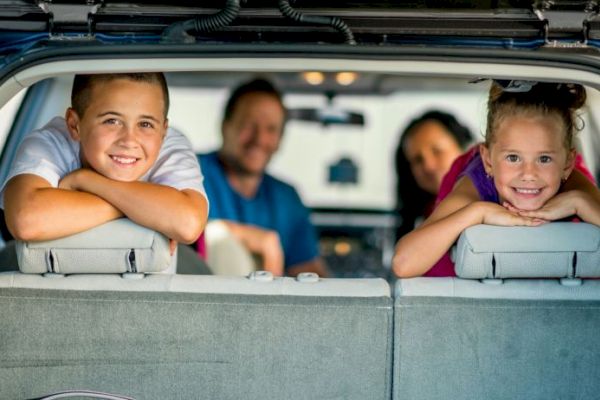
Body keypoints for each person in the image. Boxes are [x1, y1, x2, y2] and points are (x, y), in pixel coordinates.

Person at [393, 81, 600, 278]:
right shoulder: (475, 183)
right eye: (513, 157)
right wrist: (479, 211)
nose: (528, 174)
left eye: (544, 158)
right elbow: (404, 262)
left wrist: (580, 202)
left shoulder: (573, 183)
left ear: (567, 163)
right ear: (488, 160)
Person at [1, 73, 208, 254]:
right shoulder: (51, 142)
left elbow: (187, 224)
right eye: (112, 121)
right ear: (75, 124)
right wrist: (145, 211)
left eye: (145, 124)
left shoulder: (170, 146)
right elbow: (26, 221)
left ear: (163, 131)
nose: (129, 141)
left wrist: (86, 181)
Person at [198, 78, 327, 277]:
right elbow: (171, 229)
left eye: (271, 129)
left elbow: (308, 270)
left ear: (280, 139)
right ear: (225, 126)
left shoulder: (287, 198)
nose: (259, 139)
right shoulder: (190, 173)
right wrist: (249, 237)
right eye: (249, 125)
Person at [394, 110, 473, 238]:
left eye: (437, 151)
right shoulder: (423, 215)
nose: (428, 166)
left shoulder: (493, 201)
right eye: (417, 159)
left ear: (464, 148)